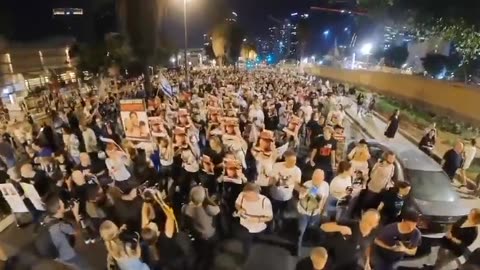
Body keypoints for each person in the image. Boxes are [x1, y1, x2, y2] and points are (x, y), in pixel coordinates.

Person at [39, 194, 92, 270]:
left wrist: (66, 210)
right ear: (58, 209)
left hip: (56, 255)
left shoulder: (47, 219)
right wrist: (76, 214)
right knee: (83, 266)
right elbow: (77, 233)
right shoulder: (61, 226)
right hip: (69, 255)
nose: (64, 203)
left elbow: (59, 215)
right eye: (62, 203)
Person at [182, 186, 220, 270]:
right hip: (210, 234)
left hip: (198, 235)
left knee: (201, 253)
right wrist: (208, 198)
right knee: (210, 254)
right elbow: (217, 209)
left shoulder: (187, 209)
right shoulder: (208, 208)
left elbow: (185, 213)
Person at [234, 183, 273, 256]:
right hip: (245, 225)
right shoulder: (242, 195)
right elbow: (237, 204)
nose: (247, 197)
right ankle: (246, 255)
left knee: (256, 237)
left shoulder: (265, 201)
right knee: (246, 241)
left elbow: (269, 217)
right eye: (246, 195)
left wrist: (257, 220)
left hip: (258, 226)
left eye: (250, 195)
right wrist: (240, 209)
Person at [297, 169, 329, 255]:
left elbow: (325, 198)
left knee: (312, 227)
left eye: (319, 178)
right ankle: (298, 248)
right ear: (312, 177)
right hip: (304, 213)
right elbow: (302, 201)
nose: (317, 180)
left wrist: (322, 209)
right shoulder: (306, 185)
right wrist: (312, 193)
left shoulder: (325, 185)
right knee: (301, 230)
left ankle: (309, 242)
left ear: (323, 178)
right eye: (315, 178)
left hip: (316, 213)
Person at [269, 150, 302, 232]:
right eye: (291, 161)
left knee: (283, 213)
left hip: (286, 197)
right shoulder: (277, 166)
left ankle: (279, 223)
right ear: (285, 159)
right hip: (274, 195)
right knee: (273, 211)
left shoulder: (297, 171)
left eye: (295, 160)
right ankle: (272, 223)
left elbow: (296, 184)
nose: (293, 163)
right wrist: (275, 181)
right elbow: (271, 179)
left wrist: (302, 190)